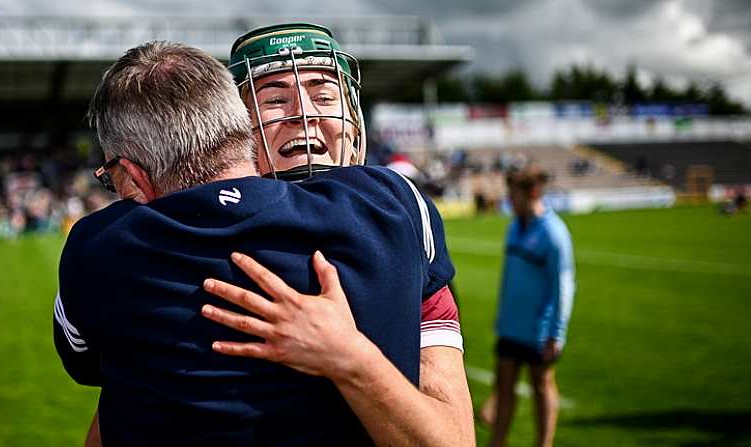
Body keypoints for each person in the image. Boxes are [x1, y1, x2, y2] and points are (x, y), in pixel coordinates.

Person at [54, 39, 473, 446]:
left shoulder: (100, 245)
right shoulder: (393, 205)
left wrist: (350, 358)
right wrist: (351, 358)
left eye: (325, 95)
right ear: (241, 124)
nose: (305, 116)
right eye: (275, 100)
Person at [478, 165, 575, 447]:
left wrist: (556, 332)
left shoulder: (553, 234)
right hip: (510, 326)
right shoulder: (514, 227)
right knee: (504, 387)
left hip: (539, 330)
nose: (510, 200)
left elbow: (564, 286)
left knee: (542, 387)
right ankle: (497, 443)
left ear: (532, 193)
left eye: (514, 194)